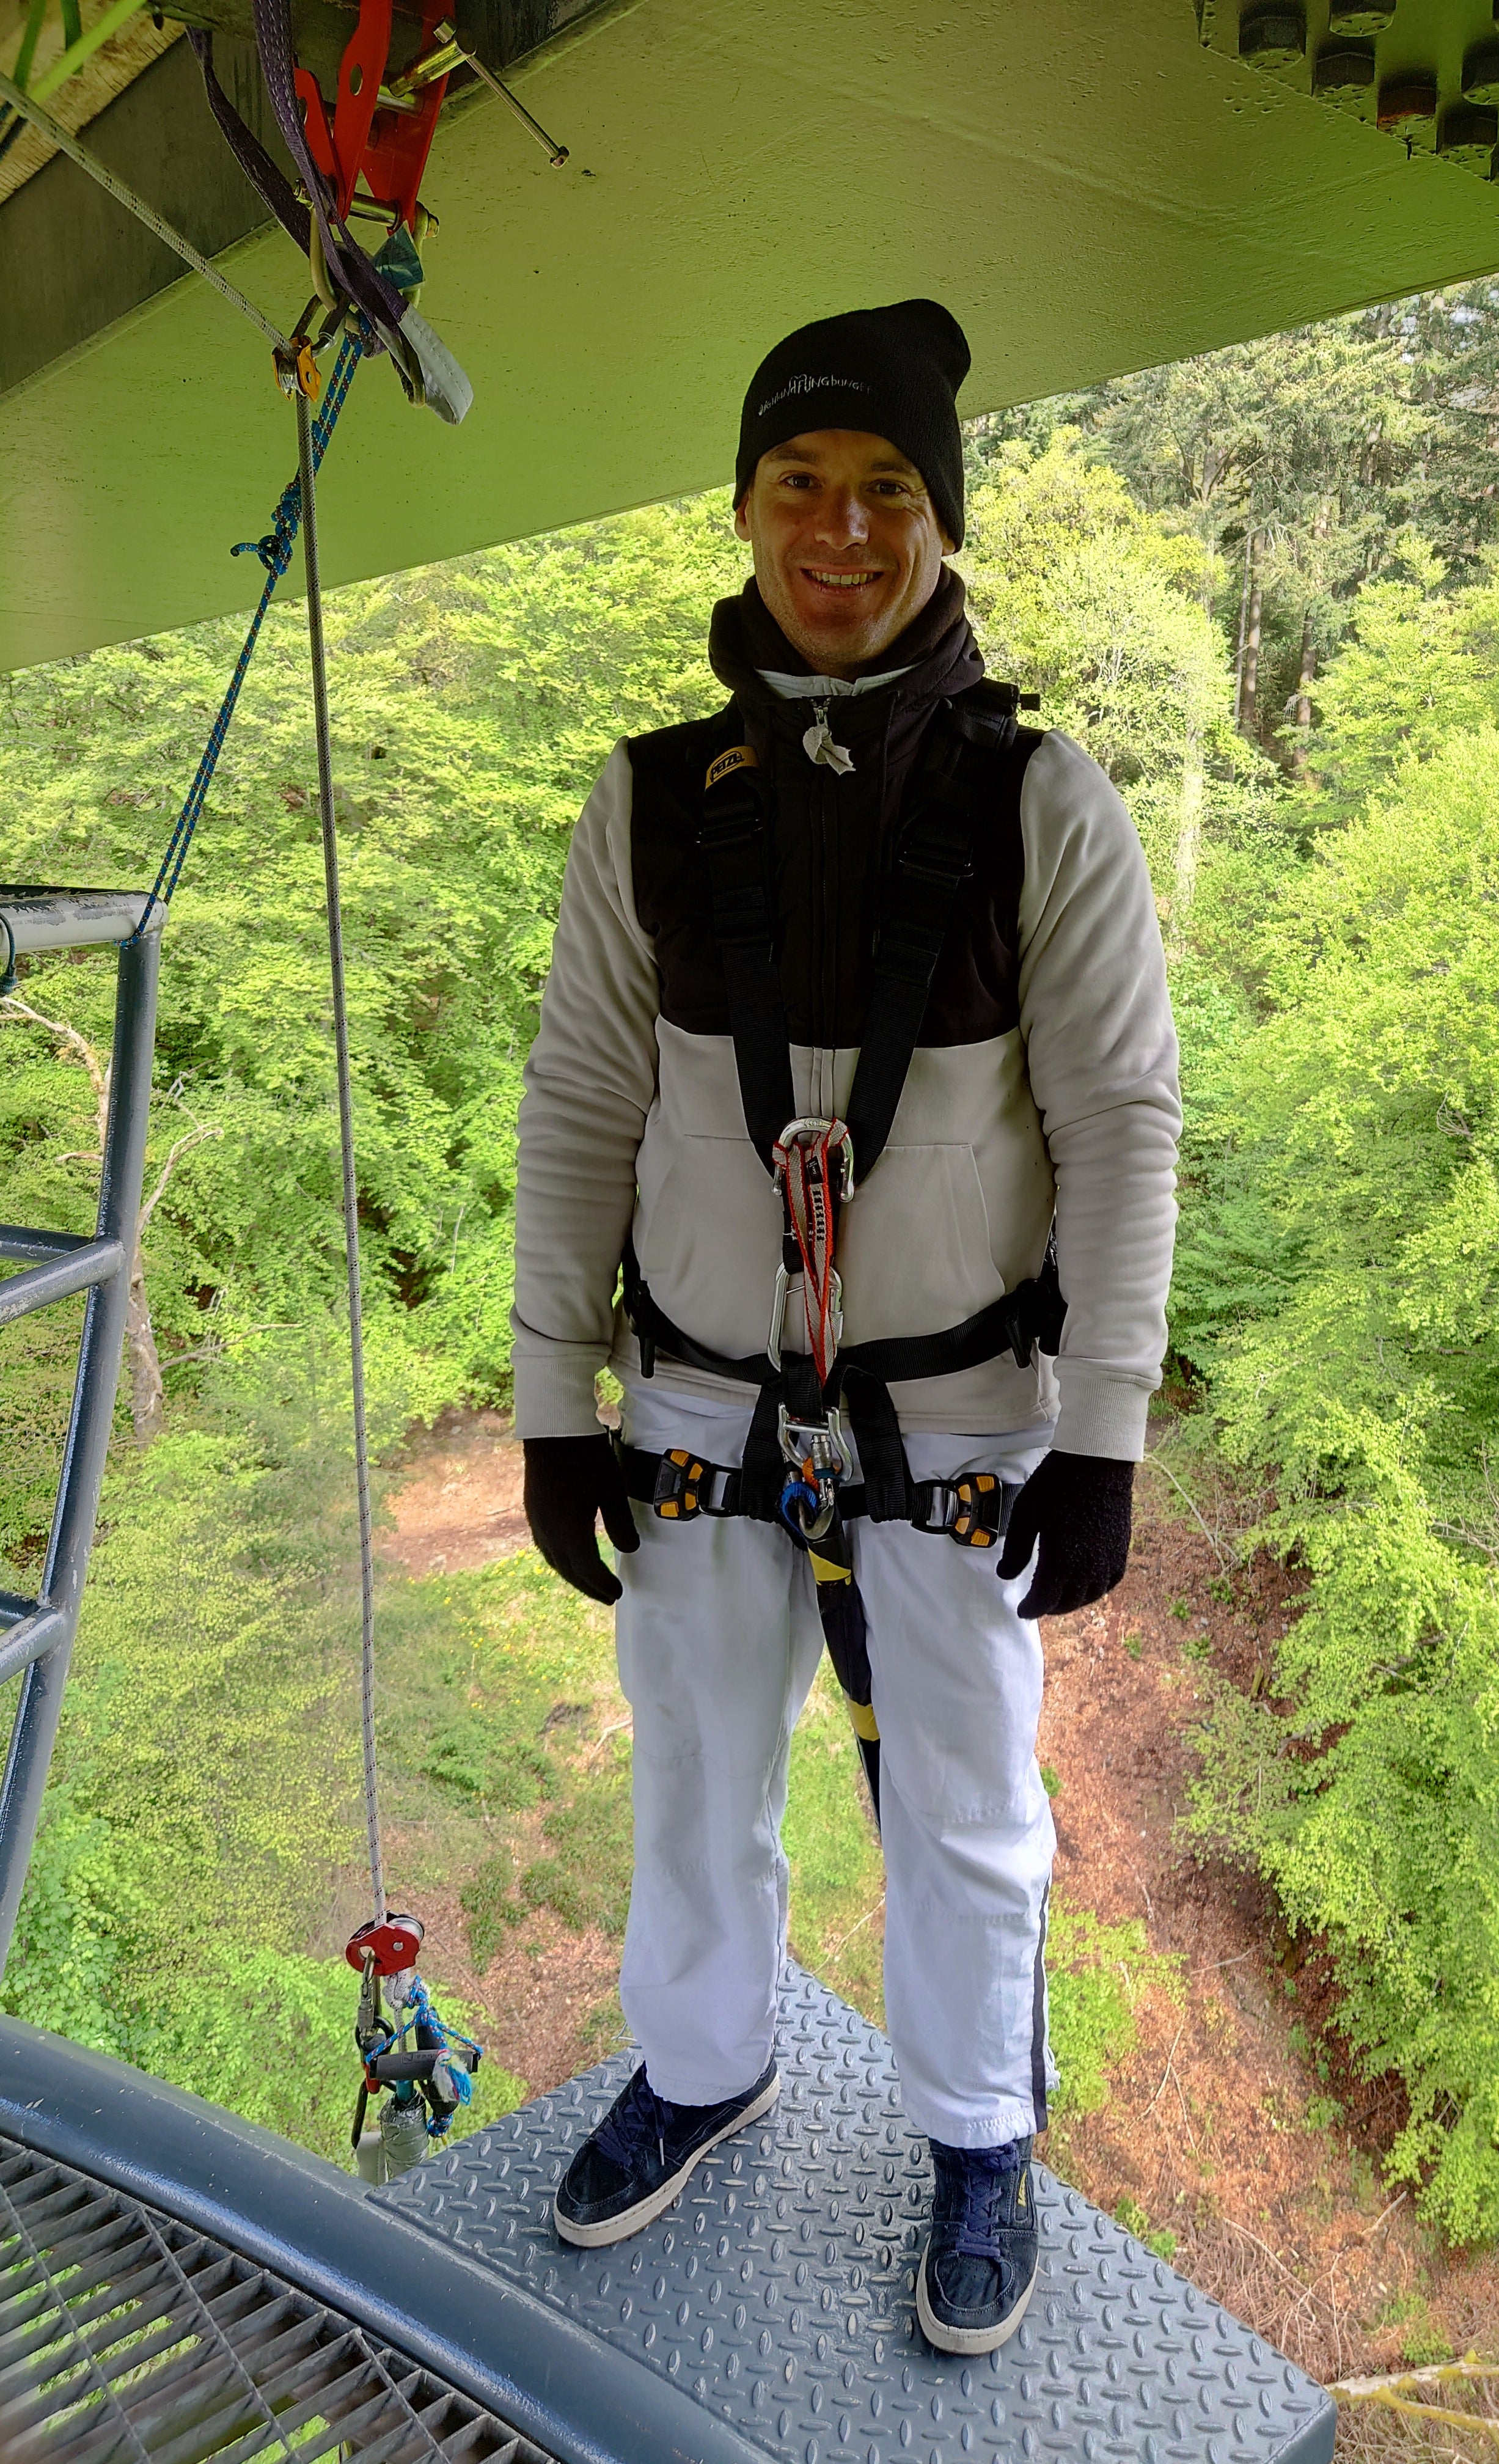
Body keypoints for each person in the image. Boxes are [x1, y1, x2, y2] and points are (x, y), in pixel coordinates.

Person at [513, 296, 1181, 2357]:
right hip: (703, 1395)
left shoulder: (1033, 802)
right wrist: (555, 1399)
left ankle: (979, 2127)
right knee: (698, 1767)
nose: (842, 528)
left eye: (889, 490)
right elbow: (581, 1111)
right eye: (800, 483)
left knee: (969, 1794)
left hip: (964, 1400)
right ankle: (707, 2065)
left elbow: (1122, 1119)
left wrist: (1106, 1428)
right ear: (739, 510)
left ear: (943, 527)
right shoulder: (647, 806)